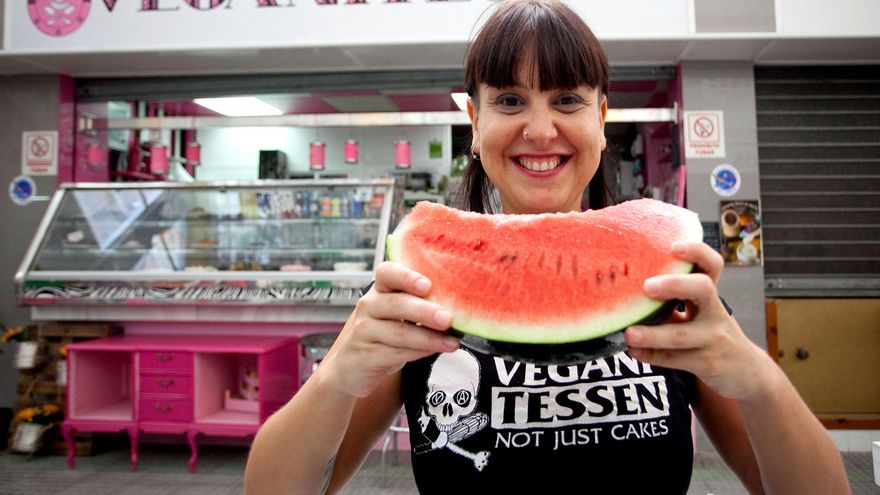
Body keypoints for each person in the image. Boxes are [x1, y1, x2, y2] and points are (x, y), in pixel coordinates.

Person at [244, 1, 850, 493]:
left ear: (601, 119)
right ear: (475, 123)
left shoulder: (669, 292)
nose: (539, 130)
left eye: (567, 100)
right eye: (510, 101)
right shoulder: (418, 299)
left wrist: (760, 381)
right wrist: (336, 378)